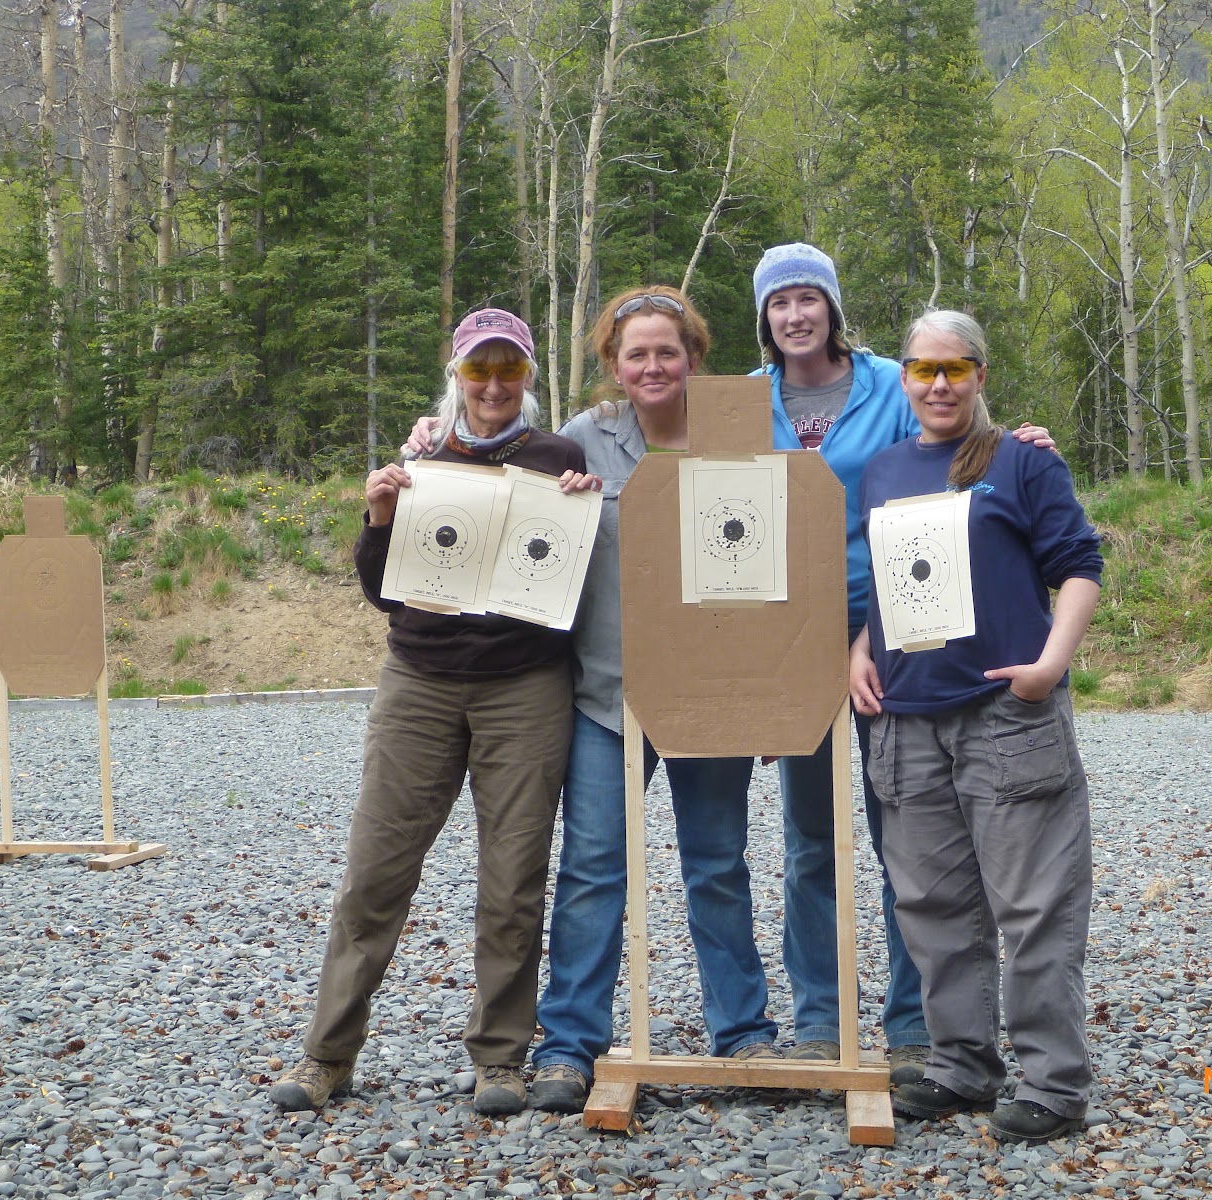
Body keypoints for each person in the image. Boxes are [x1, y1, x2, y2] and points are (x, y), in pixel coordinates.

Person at [410, 288, 781, 1113]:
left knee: (718, 867)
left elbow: (776, 560)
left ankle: (742, 1033)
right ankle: (570, 1044)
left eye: (667, 351)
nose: (653, 366)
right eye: (635, 353)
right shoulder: (582, 436)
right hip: (605, 697)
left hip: (710, 696)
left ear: (694, 356)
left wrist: (768, 690)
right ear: (613, 363)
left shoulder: (737, 433)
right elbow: (493, 478)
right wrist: (432, 441)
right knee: (590, 870)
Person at [270, 308, 599, 1117]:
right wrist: (380, 516)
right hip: (418, 681)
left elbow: (579, 575)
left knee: (513, 880)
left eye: (509, 369)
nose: (493, 385)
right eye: (478, 369)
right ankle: (327, 1054)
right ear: (457, 376)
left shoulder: (560, 458)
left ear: (528, 377)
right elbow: (383, 591)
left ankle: (500, 1058)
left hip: (526, 687)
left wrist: (582, 508)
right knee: (375, 873)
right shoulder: (419, 458)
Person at [751, 243, 1054, 1083]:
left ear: (832, 307)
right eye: (780, 303)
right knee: (811, 839)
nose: (796, 315)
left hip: (901, 632)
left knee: (909, 840)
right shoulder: (743, 399)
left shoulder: (892, 381)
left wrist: (1021, 442)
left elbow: (951, 439)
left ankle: (918, 1022)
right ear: (765, 317)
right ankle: (820, 1018)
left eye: (809, 298)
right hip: (792, 641)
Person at [849, 309, 1102, 1145]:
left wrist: (1050, 665)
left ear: (979, 375)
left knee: (1033, 905)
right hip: (906, 720)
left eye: (954, 368)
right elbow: (886, 582)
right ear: (904, 379)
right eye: (923, 369)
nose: (938, 384)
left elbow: (1079, 566)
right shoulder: (882, 471)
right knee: (933, 906)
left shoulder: (1021, 460)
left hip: (1007, 714)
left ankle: (1054, 1083)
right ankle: (962, 1064)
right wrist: (860, 649)